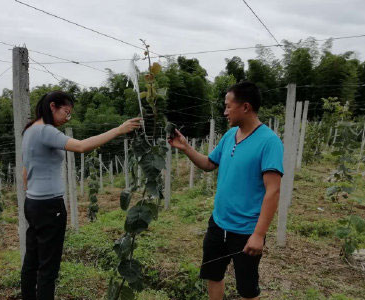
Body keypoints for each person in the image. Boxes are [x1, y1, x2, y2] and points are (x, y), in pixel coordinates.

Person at [20, 90, 141, 300]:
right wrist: (119, 130)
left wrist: (33, 194)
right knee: (48, 267)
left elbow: (25, 171)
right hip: (50, 207)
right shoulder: (46, 131)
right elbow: (82, 146)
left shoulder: (30, 130)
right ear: (52, 107)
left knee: (32, 261)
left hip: (32, 203)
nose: (68, 117)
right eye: (66, 112)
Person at [168, 82, 283, 300]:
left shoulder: (269, 142)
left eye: (228, 106)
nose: (225, 111)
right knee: (214, 275)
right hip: (218, 223)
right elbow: (209, 164)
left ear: (246, 107)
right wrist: (186, 148)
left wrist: (258, 235)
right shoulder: (230, 135)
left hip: (245, 231)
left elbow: (273, 191)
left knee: (247, 289)